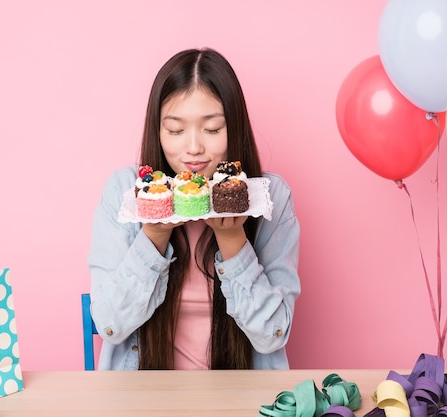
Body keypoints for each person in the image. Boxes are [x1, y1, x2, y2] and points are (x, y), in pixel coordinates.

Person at [87, 47, 301, 370]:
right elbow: (109, 324)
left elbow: (272, 334)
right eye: (175, 130)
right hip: (147, 398)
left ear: (235, 127)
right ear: (158, 131)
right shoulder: (126, 192)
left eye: (212, 129)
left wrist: (233, 242)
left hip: (241, 398)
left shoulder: (271, 198)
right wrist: (155, 235)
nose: (193, 148)